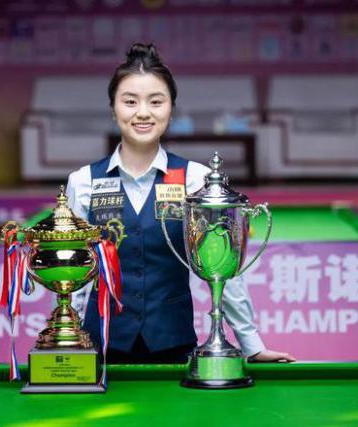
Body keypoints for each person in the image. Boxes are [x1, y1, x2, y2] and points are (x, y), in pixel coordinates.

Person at [66, 43, 295, 364]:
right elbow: (75, 275)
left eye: (156, 101)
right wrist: (68, 339)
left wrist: (251, 344)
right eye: (130, 101)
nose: (143, 112)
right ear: (113, 109)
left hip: (173, 347)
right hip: (98, 350)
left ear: (171, 109)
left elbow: (221, 269)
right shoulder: (83, 182)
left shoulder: (195, 179)